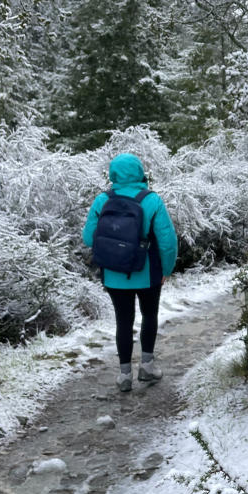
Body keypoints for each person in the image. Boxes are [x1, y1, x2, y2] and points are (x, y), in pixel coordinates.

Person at [82, 153, 178, 392]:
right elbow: (167, 241)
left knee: (123, 321)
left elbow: (87, 237)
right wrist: (166, 269)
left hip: (114, 274)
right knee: (149, 316)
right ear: (140, 172)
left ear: (112, 174)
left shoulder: (102, 200)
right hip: (147, 273)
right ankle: (147, 367)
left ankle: (124, 376)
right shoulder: (152, 200)